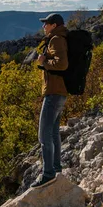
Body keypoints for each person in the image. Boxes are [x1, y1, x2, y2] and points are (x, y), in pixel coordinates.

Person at [31, 13, 69, 188]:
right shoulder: (59, 37)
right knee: (53, 132)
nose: (43, 27)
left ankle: (48, 174)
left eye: (46, 24)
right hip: (59, 91)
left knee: (44, 134)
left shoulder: (56, 39)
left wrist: (44, 61)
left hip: (54, 92)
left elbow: (62, 64)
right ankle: (56, 168)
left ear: (54, 25)